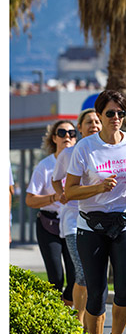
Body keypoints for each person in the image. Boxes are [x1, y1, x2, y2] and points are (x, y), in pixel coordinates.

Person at [66, 90, 126, 334]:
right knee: (97, 293)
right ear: (99, 115)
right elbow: (69, 191)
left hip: (125, 222)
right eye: (110, 113)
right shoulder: (85, 147)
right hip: (91, 226)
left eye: (120, 113)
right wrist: (97, 187)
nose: (116, 118)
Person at [52, 109, 102, 327]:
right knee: (81, 273)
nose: (94, 125)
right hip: (73, 220)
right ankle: (79, 322)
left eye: (97, 121)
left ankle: (88, 320)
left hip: (100, 221)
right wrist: (62, 194)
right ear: (80, 128)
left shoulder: (107, 151)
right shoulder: (68, 154)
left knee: (94, 275)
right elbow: (56, 179)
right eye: (89, 122)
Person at [27, 120, 78, 305]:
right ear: (54, 138)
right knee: (55, 277)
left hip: (73, 223)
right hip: (49, 224)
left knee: (76, 276)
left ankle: (66, 311)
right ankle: (55, 315)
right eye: (62, 133)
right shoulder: (45, 165)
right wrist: (54, 197)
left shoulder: (80, 162)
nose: (67, 137)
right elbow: (30, 200)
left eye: (72, 133)